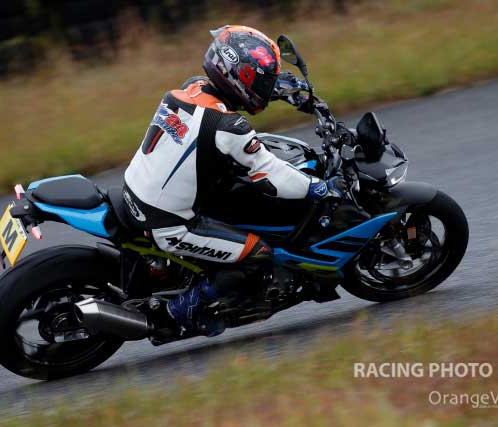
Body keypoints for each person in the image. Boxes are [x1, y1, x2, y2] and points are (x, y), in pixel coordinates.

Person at [123, 25, 346, 336]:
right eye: (261, 81)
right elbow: (272, 175)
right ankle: (181, 312)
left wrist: (282, 89)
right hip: (169, 222)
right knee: (258, 254)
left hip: (138, 193)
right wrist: (319, 188)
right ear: (239, 77)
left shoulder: (191, 89)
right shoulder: (228, 127)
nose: (265, 88)